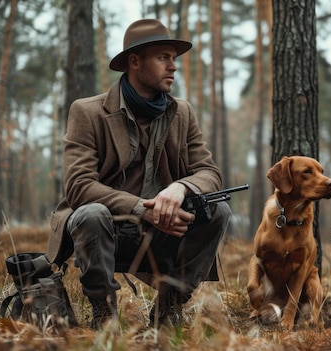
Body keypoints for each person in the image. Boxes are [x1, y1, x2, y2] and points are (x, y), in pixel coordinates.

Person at [46, 18, 232, 330]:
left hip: (163, 233)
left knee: (218, 210)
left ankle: (168, 311)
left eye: (174, 59)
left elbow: (209, 173)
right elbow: (78, 186)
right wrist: (140, 209)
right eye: (163, 57)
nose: (173, 67)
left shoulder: (182, 112)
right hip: (108, 230)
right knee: (91, 213)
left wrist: (180, 189)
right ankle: (105, 317)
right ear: (134, 62)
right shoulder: (88, 112)